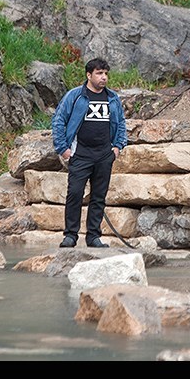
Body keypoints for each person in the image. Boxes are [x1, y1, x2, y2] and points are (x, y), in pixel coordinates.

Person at [51, 58, 127, 248]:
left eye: (106, 74)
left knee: (98, 197)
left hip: (104, 155)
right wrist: (64, 150)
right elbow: (59, 121)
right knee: (75, 194)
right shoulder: (75, 96)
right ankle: (70, 235)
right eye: (99, 73)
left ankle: (93, 237)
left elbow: (121, 124)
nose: (104, 78)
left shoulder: (112, 98)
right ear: (89, 75)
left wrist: (117, 148)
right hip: (80, 154)